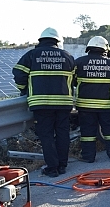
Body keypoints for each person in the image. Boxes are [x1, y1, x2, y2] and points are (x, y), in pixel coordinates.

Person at [12, 27, 75, 177]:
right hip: (63, 103)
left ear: (41, 40)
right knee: (62, 133)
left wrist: (24, 90)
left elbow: (18, 74)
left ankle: (52, 168)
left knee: (46, 134)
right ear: (57, 41)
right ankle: (62, 166)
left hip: (41, 103)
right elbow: (74, 79)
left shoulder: (32, 55)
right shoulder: (67, 56)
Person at [74, 36, 110, 162]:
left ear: (89, 48)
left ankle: (88, 157)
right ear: (105, 49)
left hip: (85, 106)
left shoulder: (78, 62)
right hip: (107, 105)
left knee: (87, 133)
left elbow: (73, 80)